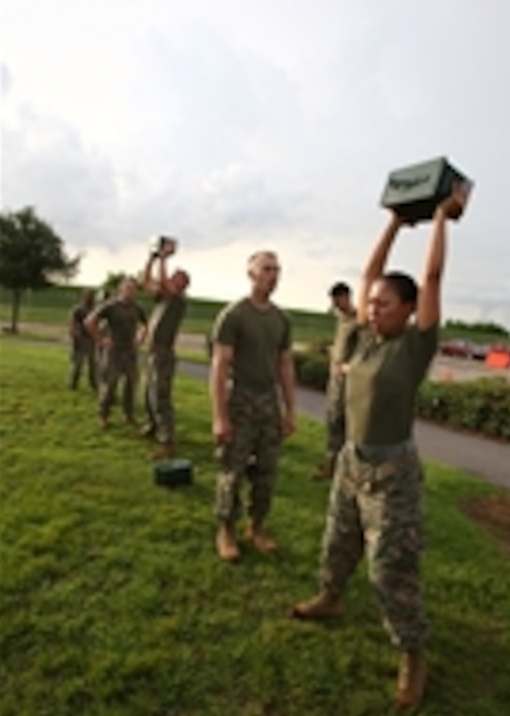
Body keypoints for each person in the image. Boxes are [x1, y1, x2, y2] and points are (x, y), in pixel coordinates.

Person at [292, 183, 470, 710]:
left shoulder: (415, 346)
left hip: (393, 473)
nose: (373, 309)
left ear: (410, 309)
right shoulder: (367, 338)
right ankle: (330, 597)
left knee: (389, 568)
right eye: (370, 305)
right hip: (352, 462)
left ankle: (413, 652)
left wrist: (438, 218)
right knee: (337, 542)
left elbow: (433, 276)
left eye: (385, 305)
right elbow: (371, 274)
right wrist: (395, 222)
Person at [210, 251, 297, 562]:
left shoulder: (281, 319)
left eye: (277, 269)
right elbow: (220, 367)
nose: (273, 275)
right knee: (232, 469)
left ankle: (256, 526)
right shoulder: (234, 315)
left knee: (267, 471)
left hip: (267, 403)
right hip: (240, 400)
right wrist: (220, 417)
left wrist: (290, 410)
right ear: (251, 274)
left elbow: (285, 365)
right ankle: (226, 530)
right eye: (266, 269)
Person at [140, 236, 191, 459]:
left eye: (177, 277)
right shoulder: (163, 298)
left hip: (164, 354)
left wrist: (163, 259)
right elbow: (146, 282)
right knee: (147, 394)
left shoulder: (178, 300)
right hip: (152, 352)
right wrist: (152, 259)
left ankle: (167, 441)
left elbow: (164, 282)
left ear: (183, 285)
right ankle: (153, 426)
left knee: (160, 397)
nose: (171, 277)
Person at [84, 276, 147, 429]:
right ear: (121, 289)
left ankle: (129, 415)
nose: (130, 292)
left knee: (131, 385)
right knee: (109, 385)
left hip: (130, 352)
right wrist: (101, 339)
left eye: (133, 289)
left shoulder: (137, 308)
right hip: (113, 351)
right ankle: (103, 415)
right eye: (127, 288)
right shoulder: (111, 306)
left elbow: (146, 325)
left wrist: (140, 339)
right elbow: (89, 321)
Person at [312, 281, 357, 480]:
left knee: (346, 427)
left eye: (337, 300)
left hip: (350, 385)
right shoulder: (342, 321)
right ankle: (331, 467)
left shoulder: (359, 322)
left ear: (346, 297)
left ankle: (345, 471)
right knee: (332, 424)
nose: (335, 305)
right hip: (335, 383)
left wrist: (350, 368)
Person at [68, 289, 97, 391]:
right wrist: (74, 336)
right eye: (88, 296)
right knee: (77, 364)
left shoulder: (95, 310)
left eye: (92, 296)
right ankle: (73, 383)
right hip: (80, 339)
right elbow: (72, 324)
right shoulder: (78, 309)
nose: (90, 298)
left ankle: (94, 384)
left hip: (92, 340)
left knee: (93, 365)